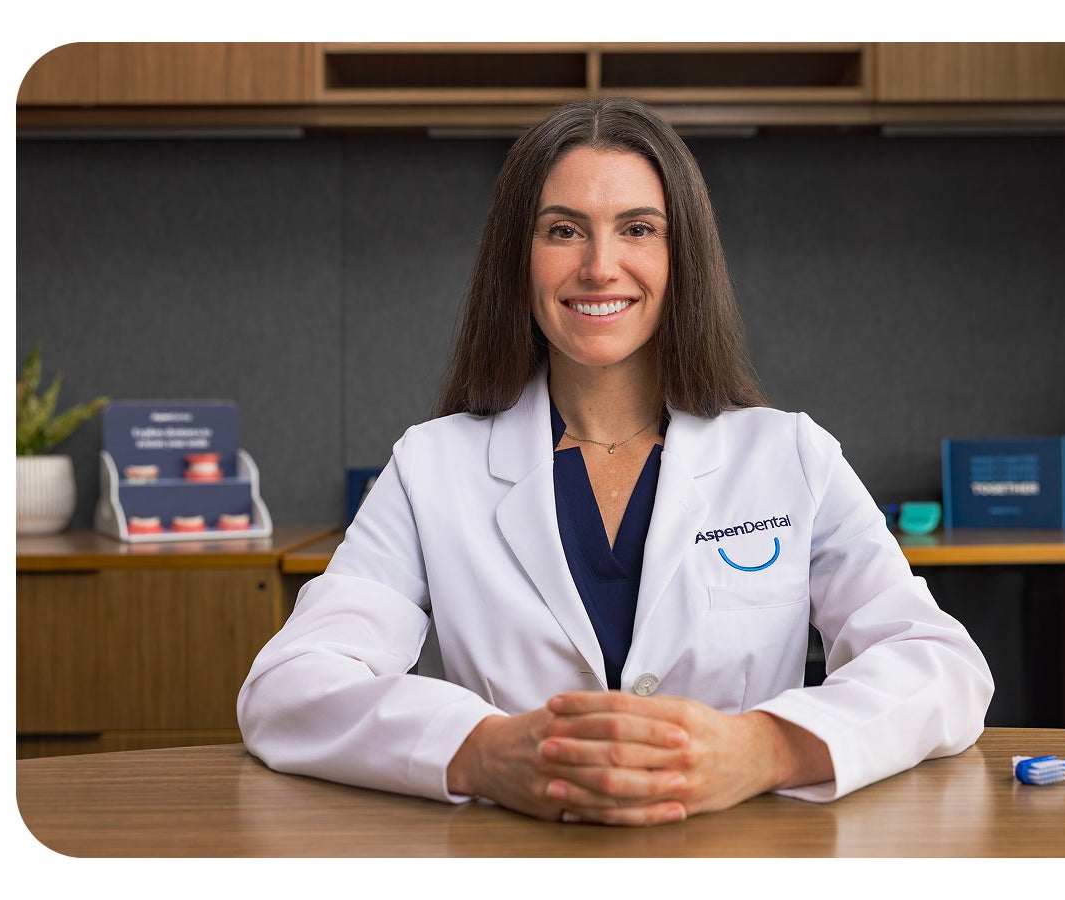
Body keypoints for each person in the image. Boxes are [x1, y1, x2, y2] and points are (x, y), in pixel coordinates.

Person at [237, 97, 994, 826]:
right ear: (517, 258)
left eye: (637, 228)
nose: (600, 267)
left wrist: (762, 749)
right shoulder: (431, 466)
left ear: (682, 256)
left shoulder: (788, 454)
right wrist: (480, 751)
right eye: (563, 231)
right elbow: (289, 687)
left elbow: (940, 665)